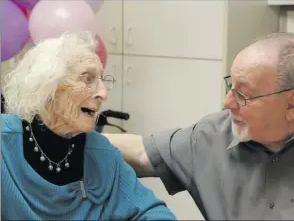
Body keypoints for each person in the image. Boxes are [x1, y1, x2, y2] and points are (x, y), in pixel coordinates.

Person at [104, 32, 294, 220]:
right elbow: (141, 152)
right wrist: (74, 134)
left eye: (244, 95)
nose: (227, 103)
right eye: (231, 86)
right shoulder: (214, 134)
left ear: (292, 103)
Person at [1, 31, 177, 220]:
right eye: (88, 78)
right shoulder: (4, 143)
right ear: (50, 85)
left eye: (102, 80)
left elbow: (152, 211)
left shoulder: (102, 153)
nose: (103, 93)